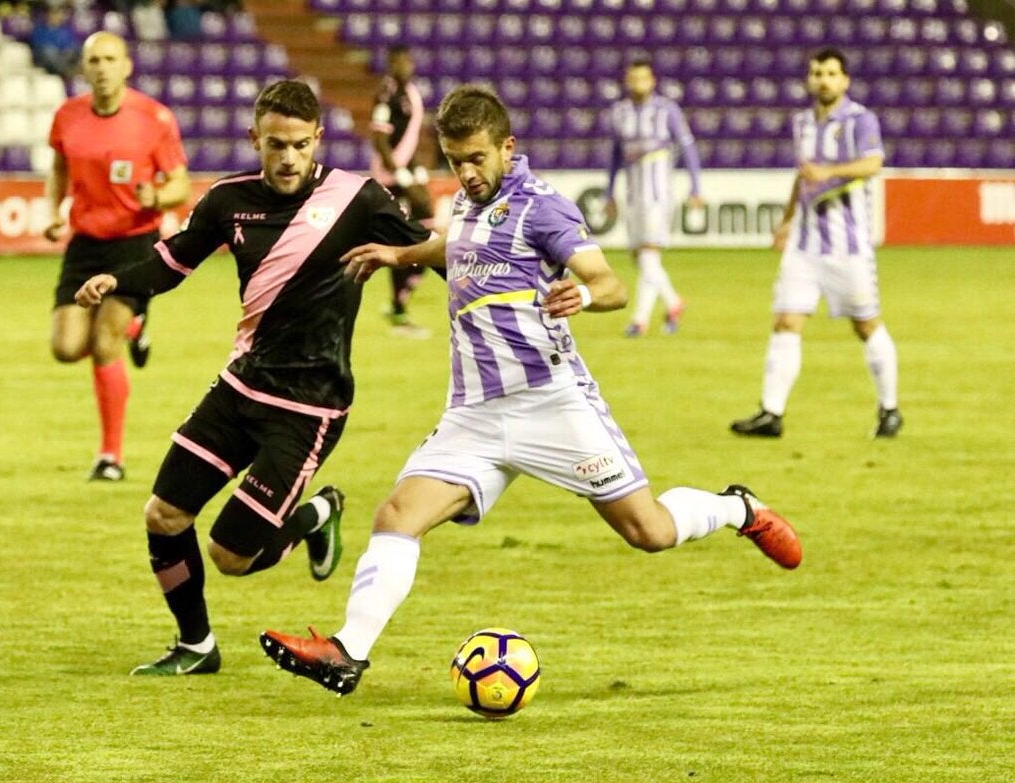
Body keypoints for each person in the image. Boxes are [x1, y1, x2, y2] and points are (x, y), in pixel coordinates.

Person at [259, 85, 803, 697]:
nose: (465, 173)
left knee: (647, 531)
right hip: (473, 414)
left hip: (552, 404)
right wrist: (399, 253)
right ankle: (347, 652)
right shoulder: (464, 203)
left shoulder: (544, 207)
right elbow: (455, 245)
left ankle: (738, 508)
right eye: (454, 160)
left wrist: (586, 295)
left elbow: (610, 282)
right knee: (397, 514)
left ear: (507, 148)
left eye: (476, 159)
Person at [73, 79, 433, 676]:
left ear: (317, 138)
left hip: (310, 408)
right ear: (255, 140)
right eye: (275, 145)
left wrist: (491, 293)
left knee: (232, 556)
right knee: (163, 514)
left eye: (298, 144)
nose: (288, 157)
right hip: (240, 388)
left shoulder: (358, 199)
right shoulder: (227, 199)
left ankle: (314, 516)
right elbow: (175, 259)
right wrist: (121, 281)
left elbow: (430, 249)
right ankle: (195, 646)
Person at [730, 47, 901, 439]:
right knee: (786, 321)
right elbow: (803, 176)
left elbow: (873, 163)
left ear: (844, 80)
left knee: (866, 325)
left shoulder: (860, 120)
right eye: (816, 73)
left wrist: (829, 171)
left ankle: (889, 408)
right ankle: (771, 414)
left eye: (830, 73)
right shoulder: (802, 123)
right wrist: (787, 221)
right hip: (804, 246)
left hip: (848, 247)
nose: (822, 79)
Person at [46, 31, 192, 481]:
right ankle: (136, 326)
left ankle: (110, 457)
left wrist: (157, 196)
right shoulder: (67, 117)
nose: (103, 67)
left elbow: (181, 185)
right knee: (67, 347)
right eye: (94, 60)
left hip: (134, 242)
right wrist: (54, 212)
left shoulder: (155, 118)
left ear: (127, 65)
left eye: (111, 58)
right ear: (84, 68)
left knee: (103, 342)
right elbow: (58, 169)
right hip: (86, 245)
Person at [604, 58, 703, 338]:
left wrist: (696, 186)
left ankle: (639, 320)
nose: (638, 84)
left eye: (643, 78)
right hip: (633, 193)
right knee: (640, 256)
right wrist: (609, 192)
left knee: (648, 254)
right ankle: (673, 303)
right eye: (633, 79)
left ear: (653, 81)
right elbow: (614, 156)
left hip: (658, 193)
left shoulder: (667, 110)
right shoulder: (619, 112)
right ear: (627, 81)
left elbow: (688, 146)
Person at [370, 45, 435, 339]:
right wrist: (402, 176)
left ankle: (404, 291)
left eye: (407, 60)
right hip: (390, 176)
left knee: (426, 222)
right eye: (398, 61)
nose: (404, 66)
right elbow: (380, 140)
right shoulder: (387, 93)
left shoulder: (411, 93)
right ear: (390, 64)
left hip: (405, 172)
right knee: (405, 234)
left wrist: (418, 171)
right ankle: (399, 305)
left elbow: (412, 138)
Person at [28, 4, 81, 79]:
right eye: (54, 14)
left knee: (76, 47)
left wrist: (66, 50)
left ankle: (64, 71)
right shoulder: (40, 29)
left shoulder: (66, 29)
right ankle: (65, 73)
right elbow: (39, 46)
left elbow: (71, 44)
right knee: (49, 51)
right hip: (48, 60)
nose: (56, 17)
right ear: (48, 16)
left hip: (64, 56)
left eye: (58, 14)